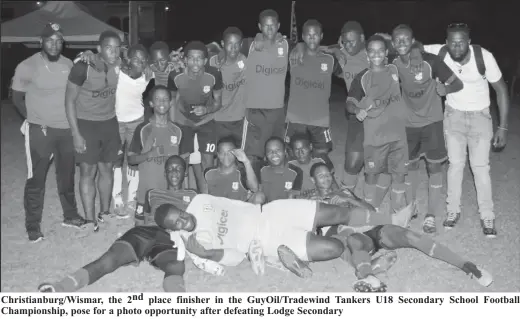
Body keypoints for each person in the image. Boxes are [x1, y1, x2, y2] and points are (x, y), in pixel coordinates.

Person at [154, 182, 414, 278]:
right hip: (266, 240)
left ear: (182, 208)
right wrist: (211, 255)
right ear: (171, 230)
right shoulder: (195, 244)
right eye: (176, 223)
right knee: (332, 248)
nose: (183, 220)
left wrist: (252, 201)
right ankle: (285, 257)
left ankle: (392, 218)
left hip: (271, 211)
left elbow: (231, 203)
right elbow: (234, 258)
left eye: (180, 214)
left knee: (336, 212)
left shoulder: (200, 201)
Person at [38, 156, 195, 293]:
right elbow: (140, 220)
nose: (174, 172)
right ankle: (61, 288)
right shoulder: (152, 193)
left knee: (176, 266)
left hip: (171, 238)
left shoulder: (193, 195)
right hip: (145, 232)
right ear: (165, 173)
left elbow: (199, 222)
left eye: (179, 168)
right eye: (170, 169)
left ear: (185, 172)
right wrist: (135, 247)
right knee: (109, 259)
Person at [421, 23, 509, 237]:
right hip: (453, 116)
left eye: (461, 42)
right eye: (452, 42)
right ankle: (452, 211)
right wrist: (385, 38)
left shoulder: (484, 57)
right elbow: (410, 45)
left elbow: (501, 90)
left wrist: (503, 127)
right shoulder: (440, 51)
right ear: (446, 41)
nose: (456, 47)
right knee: (455, 165)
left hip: (480, 117)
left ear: (469, 41)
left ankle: (487, 215)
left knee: (480, 168)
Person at [11, 23, 88, 242]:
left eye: (58, 41)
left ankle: (70, 215)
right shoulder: (27, 66)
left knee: (66, 176)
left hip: (65, 129)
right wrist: (34, 120)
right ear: (41, 42)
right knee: (36, 178)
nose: (54, 45)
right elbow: (16, 98)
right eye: (49, 40)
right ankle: (33, 225)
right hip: (41, 130)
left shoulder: (68, 65)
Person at [390, 25, 464, 233]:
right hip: (408, 125)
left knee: (433, 167)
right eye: (398, 40)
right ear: (393, 44)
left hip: (432, 122)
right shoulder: (393, 64)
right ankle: (411, 207)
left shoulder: (431, 62)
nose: (402, 43)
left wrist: (445, 88)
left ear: (413, 40)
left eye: (406, 39)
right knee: (410, 167)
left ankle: (431, 214)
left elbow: (457, 84)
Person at [65, 30, 122, 232]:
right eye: (109, 47)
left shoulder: (120, 65)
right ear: (99, 48)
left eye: (117, 48)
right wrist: (76, 134)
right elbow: (69, 100)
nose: (114, 52)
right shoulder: (82, 67)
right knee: (88, 171)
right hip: (86, 124)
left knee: (107, 169)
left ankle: (105, 212)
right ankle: (90, 221)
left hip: (109, 123)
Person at [347, 35, 412, 213]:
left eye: (380, 50)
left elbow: (415, 49)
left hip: (398, 136)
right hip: (375, 139)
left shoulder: (394, 69)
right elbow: (349, 103)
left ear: (386, 53)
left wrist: (391, 37)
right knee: (372, 175)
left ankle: (398, 211)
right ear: (367, 55)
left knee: (399, 174)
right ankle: (369, 209)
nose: (376, 54)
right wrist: (356, 110)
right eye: (372, 51)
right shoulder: (362, 78)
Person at [128, 85, 190, 225]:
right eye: (157, 99)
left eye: (165, 99)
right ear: (151, 103)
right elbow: (131, 159)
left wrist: (184, 194)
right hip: (146, 193)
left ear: (170, 103)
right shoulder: (143, 129)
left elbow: (184, 168)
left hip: (170, 194)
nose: (161, 103)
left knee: (169, 231)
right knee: (141, 229)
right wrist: (149, 154)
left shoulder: (178, 131)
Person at [167, 41, 223, 193]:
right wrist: (172, 125)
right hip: (183, 122)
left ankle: (208, 198)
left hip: (206, 121)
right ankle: (181, 196)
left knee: (208, 162)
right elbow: (171, 101)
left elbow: (218, 103)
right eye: (191, 58)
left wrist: (206, 109)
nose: (195, 62)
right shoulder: (175, 75)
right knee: (182, 161)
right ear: (185, 59)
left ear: (205, 60)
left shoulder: (214, 74)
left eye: (199, 58)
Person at [242, 9, 290, 176]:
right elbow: (220, 46)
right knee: (254, 155)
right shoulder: (250, 44)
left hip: (277, 110)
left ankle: (275, 189)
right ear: (259, 26)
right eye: (265, 26)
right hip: (256, 110)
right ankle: (253, 192)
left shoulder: (284, 44)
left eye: (273, 26)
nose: (269, 29)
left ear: (278, 26)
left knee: (276, 152)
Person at [284, 19, 336, 159]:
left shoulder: (330, 59)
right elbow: (279, 43)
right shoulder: (293, 56)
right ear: (302, 36)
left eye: (316, 34)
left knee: (321, 156)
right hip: (295, 118)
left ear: (322, 36)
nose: (312, 37)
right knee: (293, 155)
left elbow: (347, 54)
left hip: (320, 119)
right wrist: (299, 46)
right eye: (308, 34)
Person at [208, 27, 248, 145]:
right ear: (222, 44)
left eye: (237, 44)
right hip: (218, 118)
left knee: (238, 156)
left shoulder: (244, 60)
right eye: (229, 44)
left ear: (241, 44)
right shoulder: (212, 62)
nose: (233, 48)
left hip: (239, 118)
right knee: (221, 154)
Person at [204, 136, 263, 203]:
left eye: (229, 152)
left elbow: (255, 189)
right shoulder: (209, 173)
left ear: (235, 154)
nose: (226, 156)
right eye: (222, 152)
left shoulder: (242, 173)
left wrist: (246, 161)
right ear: (218, 155)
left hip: (238, 210)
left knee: (259, 196)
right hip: (217, 210)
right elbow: (203, 196)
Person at [260, 137, 303, 202]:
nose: (274, 153)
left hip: (285, 208)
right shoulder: (261, 169)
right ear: (265, 154)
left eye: (278, 150)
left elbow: (292, 197)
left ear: (284, 151)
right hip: (266, 209)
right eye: (269, 151)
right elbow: (258, 193)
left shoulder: (296, 172)